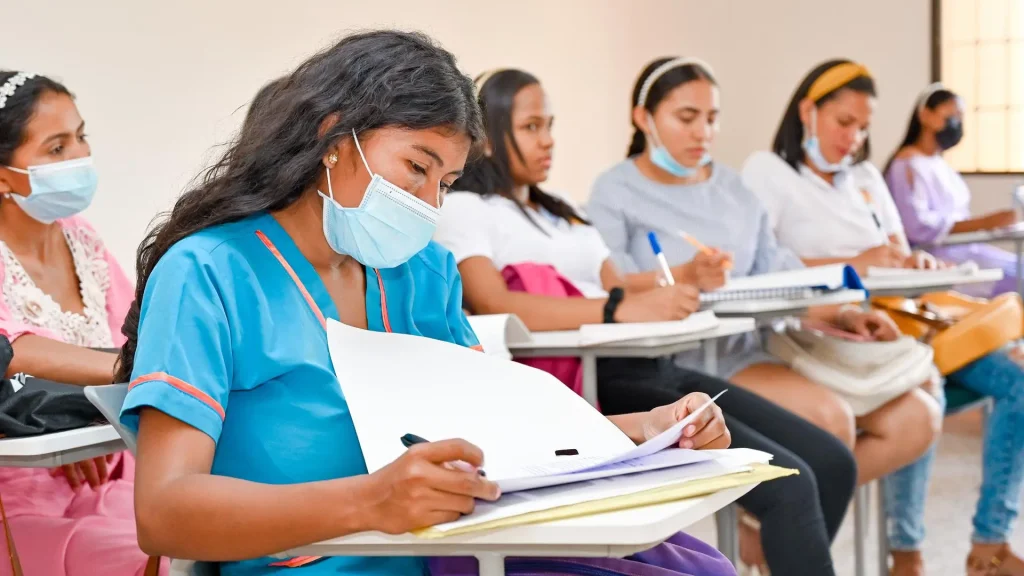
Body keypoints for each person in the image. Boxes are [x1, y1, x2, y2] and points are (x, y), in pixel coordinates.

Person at [115, 31, 734, 576]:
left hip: (460, 548)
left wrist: (645, 433)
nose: (429, 205)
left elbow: (506, 430)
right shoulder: (209, 273)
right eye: (416, 167)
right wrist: (372, 502)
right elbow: (166, 514)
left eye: (446, 183)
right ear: (334, 136)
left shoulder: (421, 273)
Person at [432, 67, 861, 576]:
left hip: (648, 363)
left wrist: (685, 275)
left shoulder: (562, 211)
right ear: (487, 132)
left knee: (833, 463)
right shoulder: (467, 208)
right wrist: (616, 310)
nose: (548, 141)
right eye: (531, 127)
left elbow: (620, 283)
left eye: (550, 125)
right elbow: (497, 302)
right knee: (789, 488)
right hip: (596, 379)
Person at [587, 57, 941, 576]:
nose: (703, 132)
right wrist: (682, 276)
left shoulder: (734, 189)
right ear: (643, 118)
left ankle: (782, 542)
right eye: (687, 117)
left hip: (753, 345)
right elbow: (607, 282)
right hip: (678, 361)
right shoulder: (613, 191)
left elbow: (777, 268)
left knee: (918, 415)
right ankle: (781, 532)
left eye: (712, 118)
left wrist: (842, 313)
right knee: (829, 420)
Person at [741, 59, 1024, 576]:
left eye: (864, 126)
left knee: (1009, 378)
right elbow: (760, 265)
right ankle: (906, 550)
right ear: (807, 110)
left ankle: (968, 545)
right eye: (843, 122)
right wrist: (854, 266)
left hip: (902, 321)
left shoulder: (866, 177)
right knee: (936, 386)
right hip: (821, 328)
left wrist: (911, 261)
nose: (855, 137)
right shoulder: (768, 173)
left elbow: (895, 244)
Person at [0, 71, 159, 575]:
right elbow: (13, 351)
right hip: (21, 489)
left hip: (114, 472)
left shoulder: (81, 239)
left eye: (81, 136)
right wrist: (122, 375)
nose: (78, 158)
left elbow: (140, 337)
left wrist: (90, 416)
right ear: (3, 175)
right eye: (55, 147)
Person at [884, 82, 1019, 297]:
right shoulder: (906, 166)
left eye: (961, 117)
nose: (956, 124)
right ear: (925, 115)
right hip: (938, 259)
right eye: (951, 116)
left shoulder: (939, 164)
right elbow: (916, 228)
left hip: (969, 250)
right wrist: (984, 223)